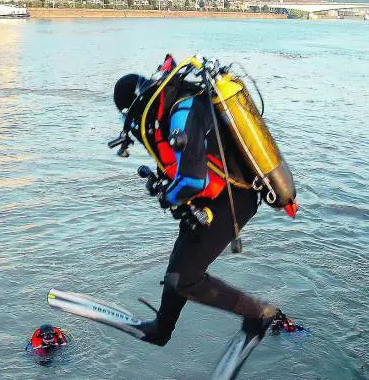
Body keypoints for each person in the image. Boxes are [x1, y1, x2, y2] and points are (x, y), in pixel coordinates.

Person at [111, 54, 294, 348]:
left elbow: (193, 180)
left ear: (134, 108)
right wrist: (171, 191)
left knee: (186, 279)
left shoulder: (181, 111)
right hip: (215, 198)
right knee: (177, 273)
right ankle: (162, 330)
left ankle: (259, 314)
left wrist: (169, 197)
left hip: (235, 197)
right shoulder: (170, 109)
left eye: (127, 117)